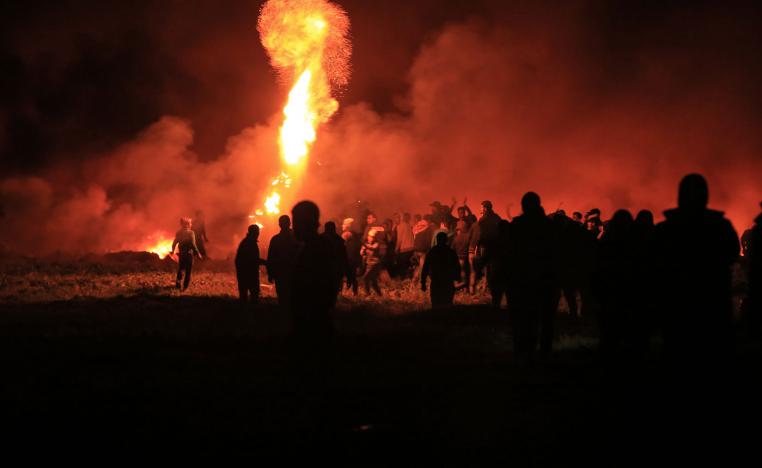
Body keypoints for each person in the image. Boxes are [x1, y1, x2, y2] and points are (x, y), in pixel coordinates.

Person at [653, 174, 740, 366]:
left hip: (678, 306)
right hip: (712, 305)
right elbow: (732, 254)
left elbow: (656, 265)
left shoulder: (666, 229)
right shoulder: (721, 227)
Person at [507, 192, 559, 362]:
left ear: (523, 206)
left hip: (521, 280)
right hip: (546, 280)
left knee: (522, 319)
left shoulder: (517, 226)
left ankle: (522, 353)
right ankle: (544, 354)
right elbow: (556, 254)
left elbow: (509, 253)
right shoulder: (549, 226)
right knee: (545, 320)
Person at [289, 201, 339, 348]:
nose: (294, 228)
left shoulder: (316, 249)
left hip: (313, 327)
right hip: (312, 323)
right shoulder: (313, 246)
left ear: (306, 223)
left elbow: (320, 289)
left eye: (296, 222)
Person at [267, 215, 300, 308]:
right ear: (290, 223)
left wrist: (270, 273)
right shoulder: (297, 238)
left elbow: (271, 257)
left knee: (283, 297)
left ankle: (284, 316)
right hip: (293, 272)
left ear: (279, 224)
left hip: (281, 273)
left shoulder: (276, 239)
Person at [421, 232, 461, 308]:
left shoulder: (433, 251)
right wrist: (457, 277)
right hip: (447, 281)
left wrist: (423, 282)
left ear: (437, 240)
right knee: (447, 303)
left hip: (436, 281)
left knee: (436, 304)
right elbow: (457, 266)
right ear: (446, 240)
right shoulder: (450, 252)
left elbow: (425, 267)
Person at [235, 224, 267, 307]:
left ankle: (244, 315)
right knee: (253, 296)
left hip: (243, 273)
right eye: (257, 232)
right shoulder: (250, 243)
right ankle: (251, 315)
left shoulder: (246, 241)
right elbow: (253, 259)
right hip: (249, 274)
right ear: (254, 233)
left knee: (244, 297)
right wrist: (266, 262)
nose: (258, 233)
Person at [171, 217, 201, 291]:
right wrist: (198, 253)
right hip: (189, 254)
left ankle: (178, 284)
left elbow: (174, 243)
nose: (191, 224)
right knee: (188, 271)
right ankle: (185, 287)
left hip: (181, 254)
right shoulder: (191, 233)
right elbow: (193, 244)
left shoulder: (178, 233)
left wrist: (172, 251)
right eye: (190, 223)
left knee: (180, 268)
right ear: (187, 224)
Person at [321, 221, 350, 297]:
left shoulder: (320, 239)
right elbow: (344, 257)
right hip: (332, 269)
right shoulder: (338, 240)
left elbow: (343, 257)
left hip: (330, 269)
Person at [361, 228, 384, 296]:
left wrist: (365, 246)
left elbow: (373, 248)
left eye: (372, 237)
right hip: (369, 264)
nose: (369, 238)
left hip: (375, 264)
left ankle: (367, 294)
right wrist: (362, 251)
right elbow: (362, 253)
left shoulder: (377, 244)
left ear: (375, 238)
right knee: (373, 281)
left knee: (365, 278)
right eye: (369, 236)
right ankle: (379, 294)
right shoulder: (366, 244)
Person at [341, 218, 361, 295]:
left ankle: (342, 293)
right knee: (352, 276)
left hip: (347, 258)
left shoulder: (346, 234)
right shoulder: (355, 235)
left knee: (342, 276)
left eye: (344, 224)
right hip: (352, 258)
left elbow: (340, 245)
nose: (342, 225)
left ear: (348, 226)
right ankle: (354, 292)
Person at [395, 213, 415, 279]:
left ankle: (403, 279)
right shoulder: (407, 225)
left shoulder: (400, 226)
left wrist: (396, 249)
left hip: (405, 248)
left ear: (400, 218)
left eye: (396, 218)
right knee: (408, 264)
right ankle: (410, 278)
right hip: (411, 247)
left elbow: (399, 239)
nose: (395, 220)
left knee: (402, 265)